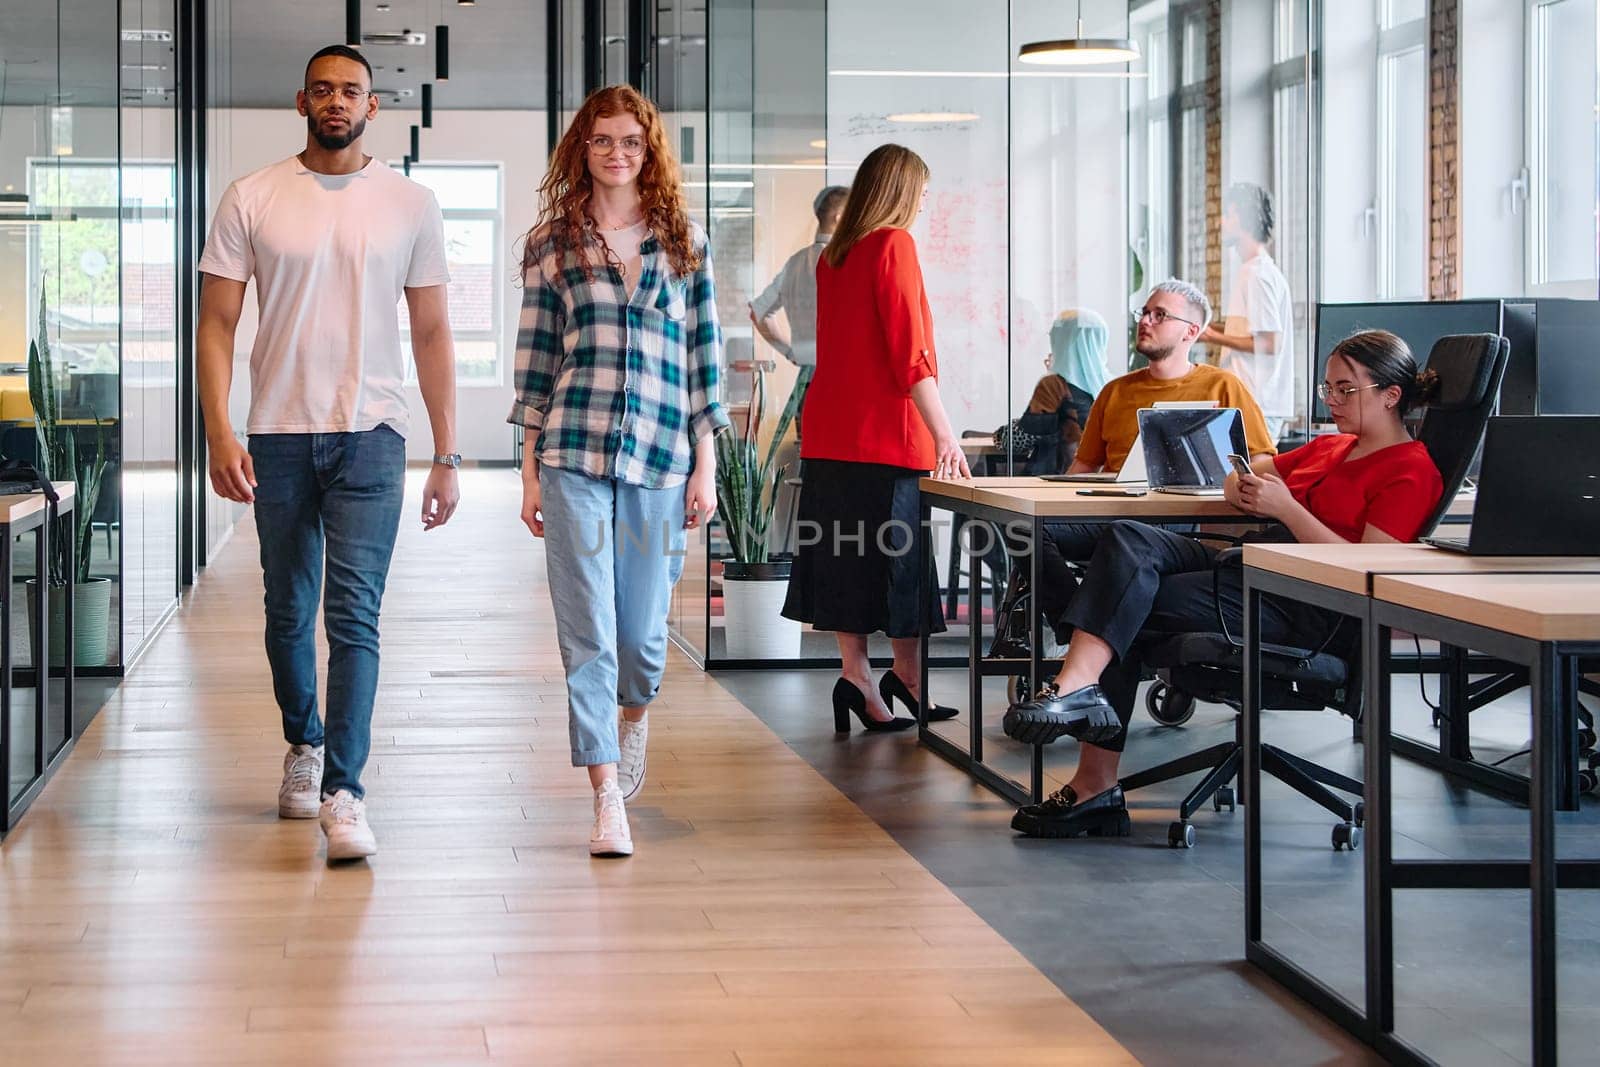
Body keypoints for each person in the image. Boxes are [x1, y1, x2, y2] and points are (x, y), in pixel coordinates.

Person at [1002, 330, 1443, 838]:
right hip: (1252, 571)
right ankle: (1078, 691)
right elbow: (1248, 468)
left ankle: (1091, 774)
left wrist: (1287, 509)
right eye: (1327, 389)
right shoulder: (1332, 448)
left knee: (1124, 601)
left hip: (1307, 606)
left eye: (1346, 389)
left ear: (1390, 395)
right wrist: (1242, 484)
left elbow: (1364, 571)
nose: (1333, 400)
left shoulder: (1411, 470)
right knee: (1128, 541)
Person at [196, 44, 461, 862]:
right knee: (286, 613)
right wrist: (218, 429)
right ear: (301, 101)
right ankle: (302, 740)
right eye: (323, 90)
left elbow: (431, 328)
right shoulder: (254, 196)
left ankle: (345, 790)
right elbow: (216, 323)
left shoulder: (411, 203)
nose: (337, 102)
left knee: (352, 617)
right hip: (275, 434)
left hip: (373, 436)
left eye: (352, 91)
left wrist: (448, 451)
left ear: (373, 106)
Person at [511, 85, 727, 859]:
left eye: (631, 141)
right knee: (589, 634)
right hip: (572, 451)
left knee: (640, 637)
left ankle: (634, 718)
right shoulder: (551, 244)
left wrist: (707, 465)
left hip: (663, 460)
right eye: (602, 140)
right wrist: (530, 472)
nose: (616, 153)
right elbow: (535, 365)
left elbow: (706, 362)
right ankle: (606, 795)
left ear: (649, 150)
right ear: (583, 148)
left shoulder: (687, 242)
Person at [781, 144, 968, 733]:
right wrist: (946, 435)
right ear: (901, 191)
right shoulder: (894, 245)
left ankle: (859, 677)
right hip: (887, 439)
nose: (924, 204)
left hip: (831, 434)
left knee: (845, 560)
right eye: (922, 191)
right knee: (901, 563)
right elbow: (909, 355)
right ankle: (905, 676)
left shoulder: (833, 256)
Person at [994, 280, 1278, 655]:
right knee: (1020, 526)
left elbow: (1263, 460)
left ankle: (1089, 627)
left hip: (1179, 523)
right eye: (1144, 313)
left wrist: (1225, 477)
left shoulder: (1223, 386)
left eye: (1160, 315)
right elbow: (1083, 466)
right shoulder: (1115, 392)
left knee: (1128, 536)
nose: (1146, 321)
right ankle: (1073, 620)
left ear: (1191, 331)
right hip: (1110, 515)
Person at [1200, 182, 1296, 441]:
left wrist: (1211, 336)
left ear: (1244, 219)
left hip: (1258, 403)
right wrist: (1208, 329)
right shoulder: (1253, 271)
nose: (1221, 223)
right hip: (1250, 401)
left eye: (1227, 215)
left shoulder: (1257, 274)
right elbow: (1248, 332)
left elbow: (1270, 343)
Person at [1011, 308, 1111, 476]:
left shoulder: (1054, 385)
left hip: (1054, 482)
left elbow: (1019, 440)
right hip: (1101, 484)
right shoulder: (1114, 386)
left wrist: (1001, 434)